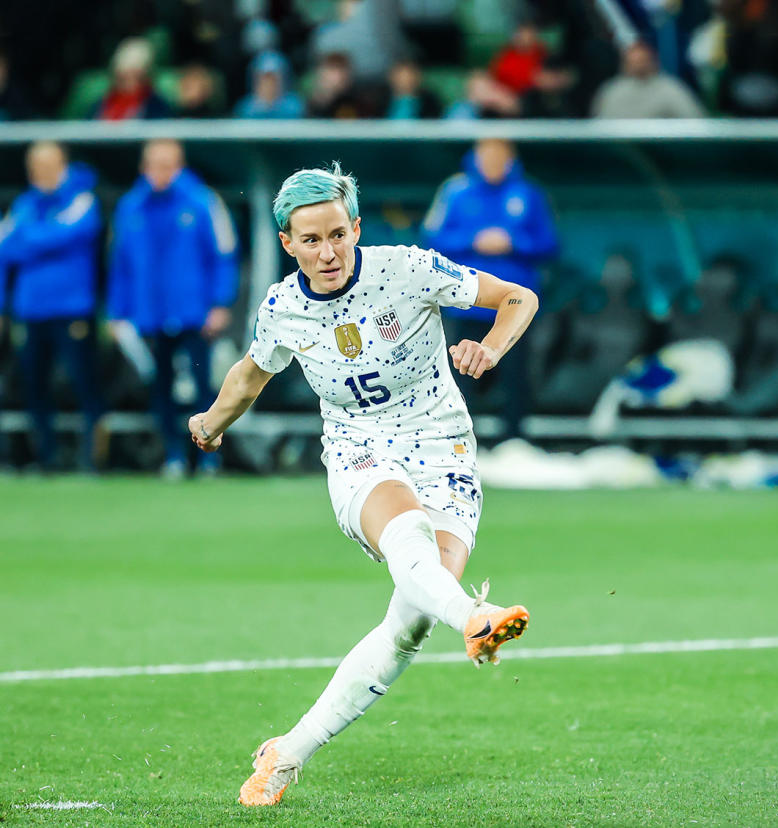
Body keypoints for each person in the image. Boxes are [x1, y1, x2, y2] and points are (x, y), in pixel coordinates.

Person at [184, 163, 536, 806]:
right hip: (361, 450)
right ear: (288, 243)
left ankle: (287, 752)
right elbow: (248, 377)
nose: (328, 252)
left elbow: (519, 298)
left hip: (444, 446)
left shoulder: (406, 268)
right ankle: (477, 617)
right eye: (311, 240)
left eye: (338, 235)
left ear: (357, 229)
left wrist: (490, 347)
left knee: (412, 621)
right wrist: (209, 422)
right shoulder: (283, 308)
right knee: (412, 547)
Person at [108, 139, 238, 478]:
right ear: (144, 167)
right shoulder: (130, 207)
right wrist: (116, 311)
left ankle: (209, 457)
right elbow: (119, 264)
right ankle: (174, 456)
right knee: (159, 387)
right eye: (155, 165)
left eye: (168, 165)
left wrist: (220, 302)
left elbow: (224, 255)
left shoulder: (204, 202)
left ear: (180, 165)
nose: (161, 173)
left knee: (204, 387)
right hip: (149, 316)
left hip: (195, 313)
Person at [422, 138, 558, 439]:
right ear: (476, 157)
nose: (493, 163)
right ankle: (459, 439)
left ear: (510, 159)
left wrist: (514, 243)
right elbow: (431, 238)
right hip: (466, 303)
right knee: (460, 373)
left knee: (516, 376)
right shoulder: (454, 191)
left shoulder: (528, 193)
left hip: (513, 308)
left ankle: (514, 441)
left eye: (499, 157)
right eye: (487, 157)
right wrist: (474, 240)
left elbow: (550, 243)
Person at [0, 142, 104, 471]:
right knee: (33, 385)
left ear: (62, 164)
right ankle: (46, 458)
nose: (40, 173)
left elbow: (71, 234)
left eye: (47, 165)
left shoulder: (82, 198)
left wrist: (29, 241)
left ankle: (92, 461)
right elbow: (5, 249)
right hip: (30, 310)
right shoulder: (23, 204)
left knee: (83, 383)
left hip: (72, 308)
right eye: (35, 167)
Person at [591, 40, 706, 118]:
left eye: (642, 61)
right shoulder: (611, 92)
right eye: (633, 62)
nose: (639, 66)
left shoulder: (671, 89)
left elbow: (694, 119)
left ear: (653, 62)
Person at [92, 37, 173, 121]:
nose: (128, 81)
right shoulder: (103, 102)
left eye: (135, 74)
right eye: (122, 76)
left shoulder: (157, 107)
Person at [235, 51, 306, 119]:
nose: (269, 84)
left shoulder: (294, 107)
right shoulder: (245, 108)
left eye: (273, 79)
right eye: (264, 78)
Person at [384, 55, 442, 119]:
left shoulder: (430, 103)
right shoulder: (381, 101)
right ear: (391, 77)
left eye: (409, 76)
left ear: (418, 77)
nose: (406, 81)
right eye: (401, 77)